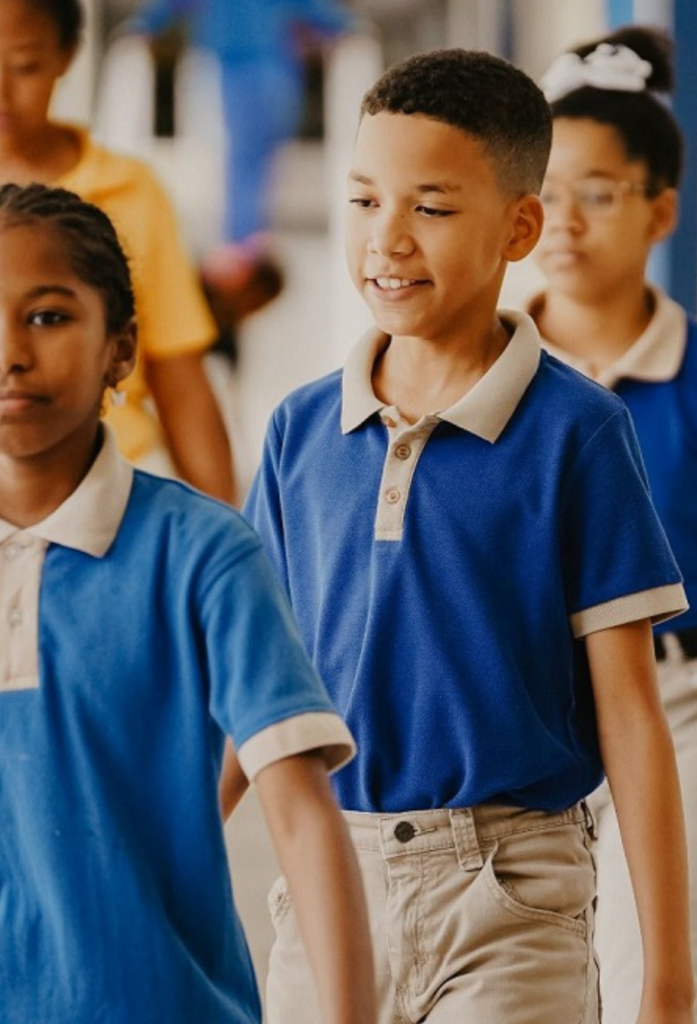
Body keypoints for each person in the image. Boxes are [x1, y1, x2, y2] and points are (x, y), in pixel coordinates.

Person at [234, 48, 695, 1023]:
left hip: (511, 886)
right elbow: (249, 686)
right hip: (329, 874)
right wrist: (170, 860)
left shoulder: (579, 431)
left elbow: (631, 716)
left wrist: (668, 982)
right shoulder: (300, 432)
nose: (387, 240)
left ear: (518, 227)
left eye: (431, 208)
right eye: (364, 202)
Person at [0, 181, 375, 1023]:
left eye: (48, 315)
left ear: (120, 348)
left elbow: (301, 817)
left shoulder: (205, 553)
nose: (5, 351)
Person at [0, 0, 235, 513]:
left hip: (106, 512)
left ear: (66, 56)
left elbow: (182, 382)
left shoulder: (130, 192)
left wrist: (230, 535)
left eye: (24, 65)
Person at [528, 25, 697, 1024]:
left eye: (596, 192)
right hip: (522, 723)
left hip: (676, 716)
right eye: (545, 192)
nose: (565, 220)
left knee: (646, 976)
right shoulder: (482, 375)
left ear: (659, 209)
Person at [128, 0, 354, 350]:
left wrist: (341, 27)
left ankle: (245, 244)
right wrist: (145, 24)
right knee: (243, 159)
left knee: (253, 158)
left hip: (263, 63)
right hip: (244, 64)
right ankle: (242, 245)